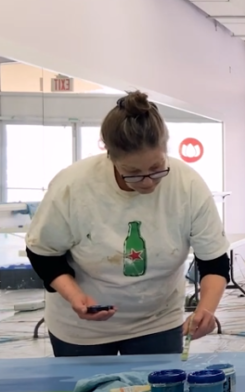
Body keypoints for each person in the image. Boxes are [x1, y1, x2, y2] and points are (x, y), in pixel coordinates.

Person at [25, 90, 230, 357]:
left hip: (157, 321)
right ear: (109, 156)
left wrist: (206, 309)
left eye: (157, 169)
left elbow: (214, 259)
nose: (147, 182)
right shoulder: (73, 186)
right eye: (132, 173)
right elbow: (43, 253)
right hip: (81, 329)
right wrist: (74, 296)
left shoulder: (187, 185)